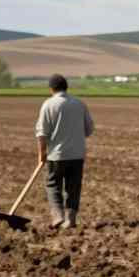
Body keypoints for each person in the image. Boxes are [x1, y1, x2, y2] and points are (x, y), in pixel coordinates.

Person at [36, 73, 94, 229]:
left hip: (56, 155)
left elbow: (42, 133)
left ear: (51, 89)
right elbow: (89, 130)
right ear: (66, 87)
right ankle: (71, 219)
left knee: (53, 184)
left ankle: (58, 216)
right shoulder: (80, 104)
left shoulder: (48, 105)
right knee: (73, 187)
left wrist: (41, 154)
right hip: (77, 154)